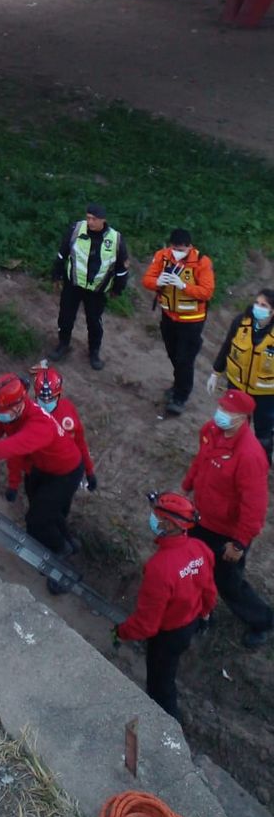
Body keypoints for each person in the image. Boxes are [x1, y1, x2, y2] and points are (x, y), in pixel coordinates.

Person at [0, 373, 83, 592]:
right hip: (40, 469)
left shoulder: (40, 424)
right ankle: (68, 542)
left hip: (65, 473)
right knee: (48, 514)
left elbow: (12, 446)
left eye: (1, 411)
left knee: (37, 520)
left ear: (18, 406)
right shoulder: (4, 414)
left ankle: (61, 556)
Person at [182, 389, 272, 649]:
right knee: (195, 568)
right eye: (221, 407)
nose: (221, 413)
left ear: (243, 418)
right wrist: (187, 486)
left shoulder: (250, 456)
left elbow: (254, 507)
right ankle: (202, 614)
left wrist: (239, 543)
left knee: (228, 581)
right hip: (200, 518)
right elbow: (201, 461)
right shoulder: (211, 431)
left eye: (228, 411)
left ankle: (263, 621)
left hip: (226, 532)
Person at [115, 492, 216, 722]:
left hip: (168, 636)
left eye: (157, 516)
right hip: (192, 621)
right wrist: (205, 614)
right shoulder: (200, 549)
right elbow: (209, 590)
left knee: (160, 686)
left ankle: (169, 727)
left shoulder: (159, 568)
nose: (153, 519)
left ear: (170, 525)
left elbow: (147, 625)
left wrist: (121, 632)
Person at [142, 229, 215, 416]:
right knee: (173, 355)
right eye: (175, 249)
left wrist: (184, 286)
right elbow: (147, 280)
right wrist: (158, 282)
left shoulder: (202, 262)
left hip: (191, 320)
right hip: (168, 316)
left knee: (184, 359)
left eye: (181, 250)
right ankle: (178, 385)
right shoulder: (162, 256)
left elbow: (207, 292)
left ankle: (180, 397)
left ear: (190, 247)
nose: (177, 253)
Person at [50, 203, 129, 370]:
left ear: (103, 220)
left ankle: (94, 352)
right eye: (88, 218)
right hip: (73, 284)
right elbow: (62, 254)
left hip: (97, 291)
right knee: (65, 317)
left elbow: (121, 269)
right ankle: (63, 344)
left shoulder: (116, 239)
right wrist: (56, 275)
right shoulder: (76, 230)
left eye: (94, 219)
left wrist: (117, 289)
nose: (90, 222)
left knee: (94, 322)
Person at [208, 289, 274, 463]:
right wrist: (216, 372)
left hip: (265, 394)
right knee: (233, 427)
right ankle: (229, 460)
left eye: (263, 305)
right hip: (237, 386)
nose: (257, 307)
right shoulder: (241, 322)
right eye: (257, 303)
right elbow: (227, 346)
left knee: (263, 433)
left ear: (272, 311)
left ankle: (262, 463)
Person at [30, 362, 97, 491]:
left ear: (59, 394)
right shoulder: (29, 415)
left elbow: (79, 442)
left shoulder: (68, 411)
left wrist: (89, 471)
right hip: (39, 470)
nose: (46, 403)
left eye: (51, 399)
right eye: (42, 399)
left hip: (63, 471)